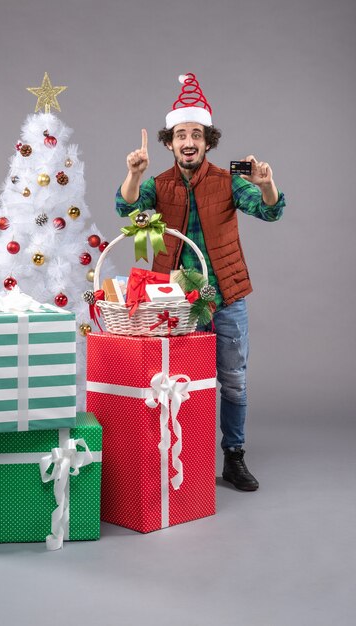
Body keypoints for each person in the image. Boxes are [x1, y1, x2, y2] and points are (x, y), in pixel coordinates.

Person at [116, 73, 286, 491]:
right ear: (169, 143)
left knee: (233, 380)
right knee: (173, 384)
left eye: (196, 134)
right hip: (173, 302)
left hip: (226, 298)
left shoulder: (229, 182)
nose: (188, 141)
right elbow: (126, 206)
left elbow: (270, 211)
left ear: (208, 141)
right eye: (180, 135)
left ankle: (233, 458)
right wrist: (135, 175)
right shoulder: (158, 184)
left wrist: (267, 186)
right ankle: (181, 462)